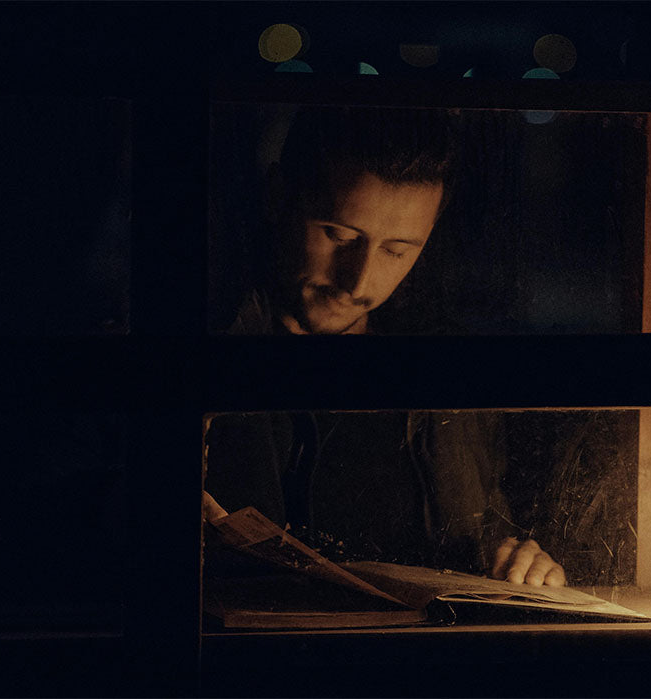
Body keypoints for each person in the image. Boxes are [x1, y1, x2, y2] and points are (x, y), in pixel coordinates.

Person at [208, 106, 565, 587]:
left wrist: (522, 567)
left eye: (397, 250)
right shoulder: (209, 358)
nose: (357, 281)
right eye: (340, 235)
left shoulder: (447, 381)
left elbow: (487, 542)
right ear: (277, 198)